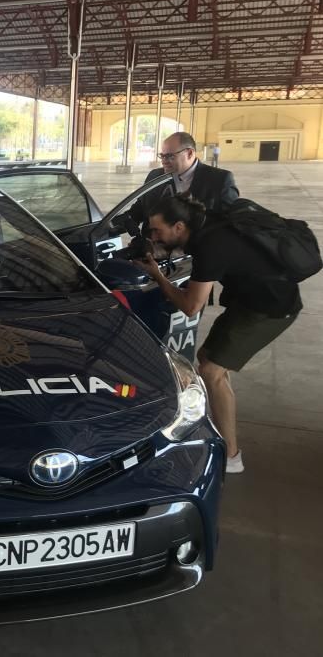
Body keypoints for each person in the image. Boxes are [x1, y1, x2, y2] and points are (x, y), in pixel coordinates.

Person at [135, 195, 302, 474]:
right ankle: (221, 417)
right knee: (207, 358)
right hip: (249, 299)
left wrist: (158, 277)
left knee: (211, 370)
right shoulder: (205, 224)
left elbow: (191, 306)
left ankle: (231, 458)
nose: (154, 237)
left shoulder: (211, 245)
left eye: (157, 231)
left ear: (178, 226)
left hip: (270, 308)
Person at [128, 132, 239, 226]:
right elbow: (139, 210)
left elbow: (229, 223)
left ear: (189, 153)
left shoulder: (220, 180)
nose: (164, 161)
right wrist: (112, 227)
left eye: (170, 156)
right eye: (162, 155)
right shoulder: (155, 176)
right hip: (153, 249)